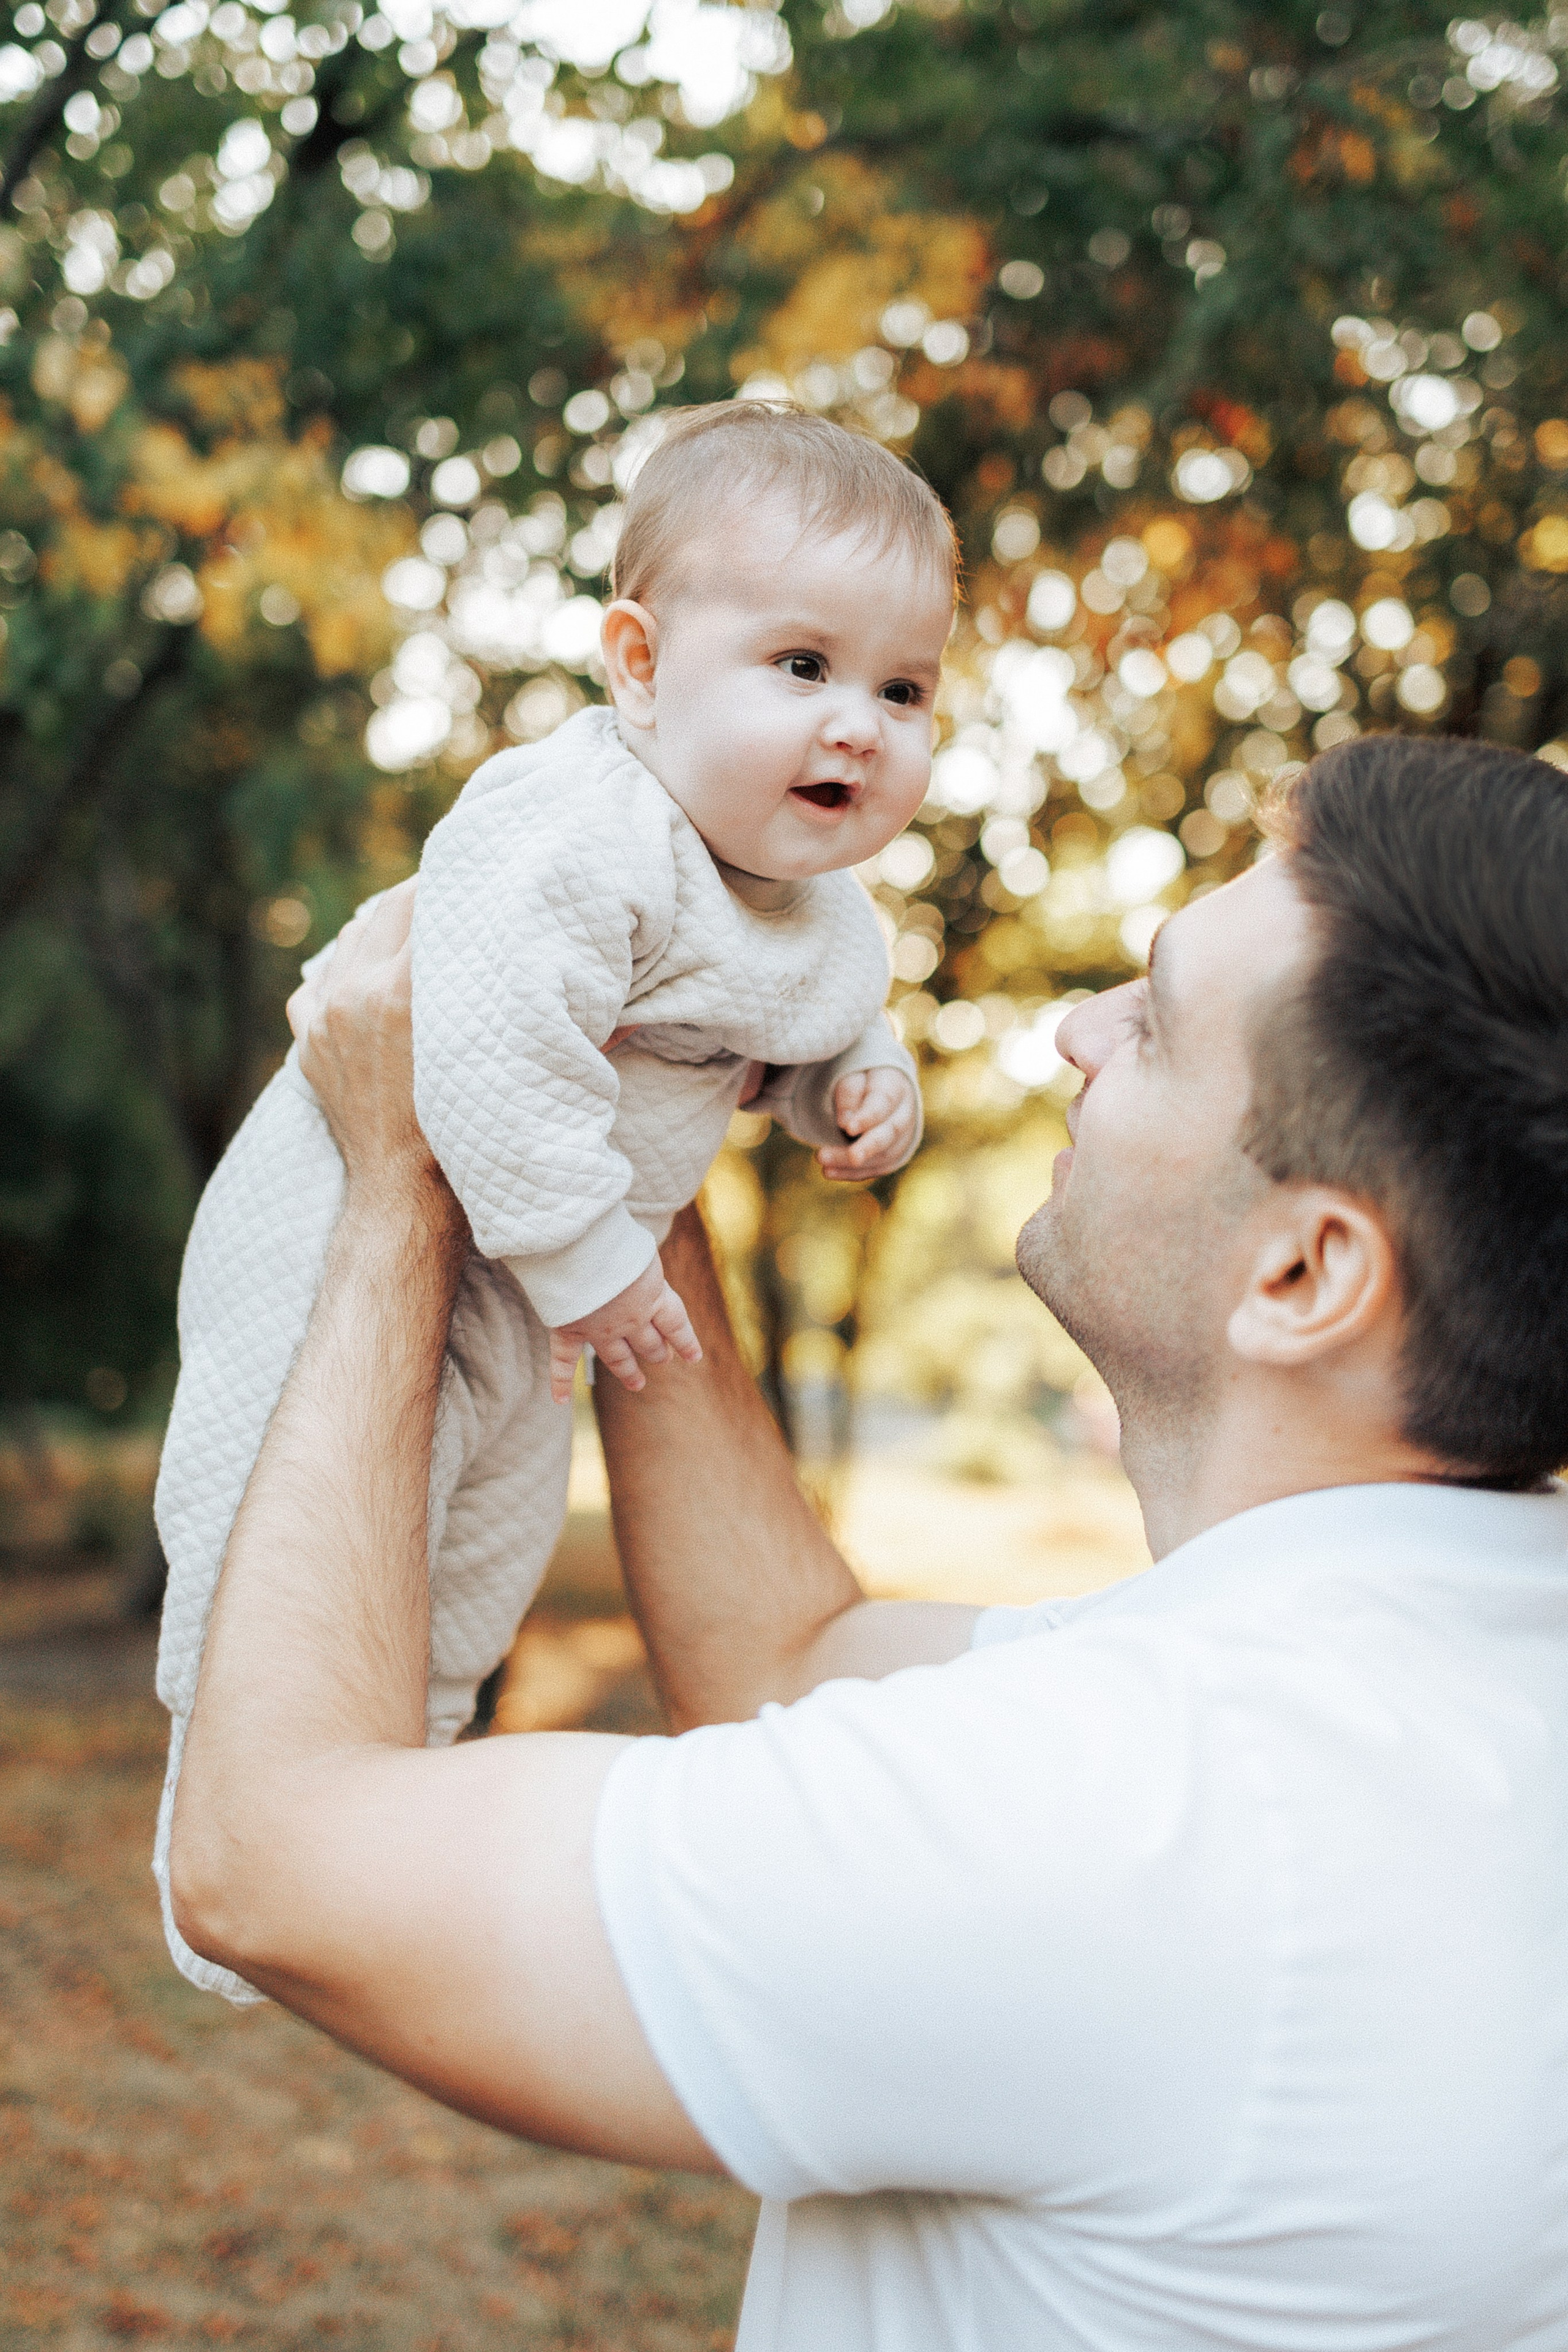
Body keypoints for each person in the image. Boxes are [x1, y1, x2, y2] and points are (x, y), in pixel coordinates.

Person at [170, 733, 1568, 2351]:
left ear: (1305, 1277)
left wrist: (407, 1175)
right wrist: (628, 1112)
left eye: (1161, 1021)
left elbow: (269, 1862)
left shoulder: (1130, 1810)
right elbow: (791, 1665)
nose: (1074, 1027)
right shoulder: (1423, 1676)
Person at [153, 404, 942, 1999]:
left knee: (486, 1539)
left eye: (904, 688)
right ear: (641, 668)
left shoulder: (819, 909)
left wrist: (858, 1086)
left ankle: (390, 1785)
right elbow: (494, 1054)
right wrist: (591, 1251)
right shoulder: (580, 828)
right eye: (802, 666)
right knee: (269, 1511)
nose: (857, 723)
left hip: (543, 1290)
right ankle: (211, 1818)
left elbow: (801, 1023)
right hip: (336, 1227)